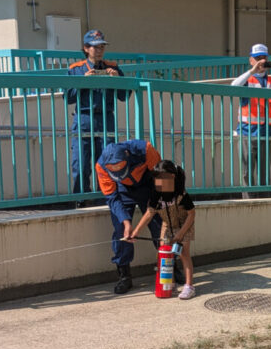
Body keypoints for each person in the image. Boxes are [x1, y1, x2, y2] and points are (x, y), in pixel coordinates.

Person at [95, 139, 164, 294]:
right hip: (122, 191)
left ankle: (170, 266)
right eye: (114, 171)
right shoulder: (101, 166)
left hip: (147, 185)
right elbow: (112, 198)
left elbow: (160, 176)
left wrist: (159, 202)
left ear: (127, 155)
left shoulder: (145, 150)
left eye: (121, 168)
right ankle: (124, 276)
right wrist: (126, 222)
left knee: (160, 226)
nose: (118, 173)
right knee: (121, 231)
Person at [66, 29, 129, 198]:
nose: (99, 50)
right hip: (84, 118)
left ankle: (108, 198)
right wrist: (83, 82)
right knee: (80, 163)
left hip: (106, 117)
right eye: (95, 47)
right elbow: (68, 97)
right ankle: (80, 199)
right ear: (86, 48)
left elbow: (125, 96)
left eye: (102, 46)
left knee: (109, 160)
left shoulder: (113, 67)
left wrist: (119, 80)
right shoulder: (76, 68)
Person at [128, 159, 196, 300]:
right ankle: (168, 283)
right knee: (164, 253)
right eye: (156, 179)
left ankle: (189, 286)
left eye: (161, 178)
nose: (158, 182)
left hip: (184, 225)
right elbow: (149, 213)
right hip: (167, 224)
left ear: (172, 176)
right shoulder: (156, 193)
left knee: (184, 253)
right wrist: (136, 232)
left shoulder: (181, 193)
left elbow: (191, 214)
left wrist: (181, 233)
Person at [232, 43, 271, 195]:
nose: (261, 62)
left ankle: (266, 199)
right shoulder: (247, 79)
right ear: (251, 60)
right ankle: (249, 203)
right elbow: (233, 86)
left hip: (266, 133)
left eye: (264, 58)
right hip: (246, 133)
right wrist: (251, 71)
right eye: (257, 58)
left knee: (264, 174)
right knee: (246, 173)